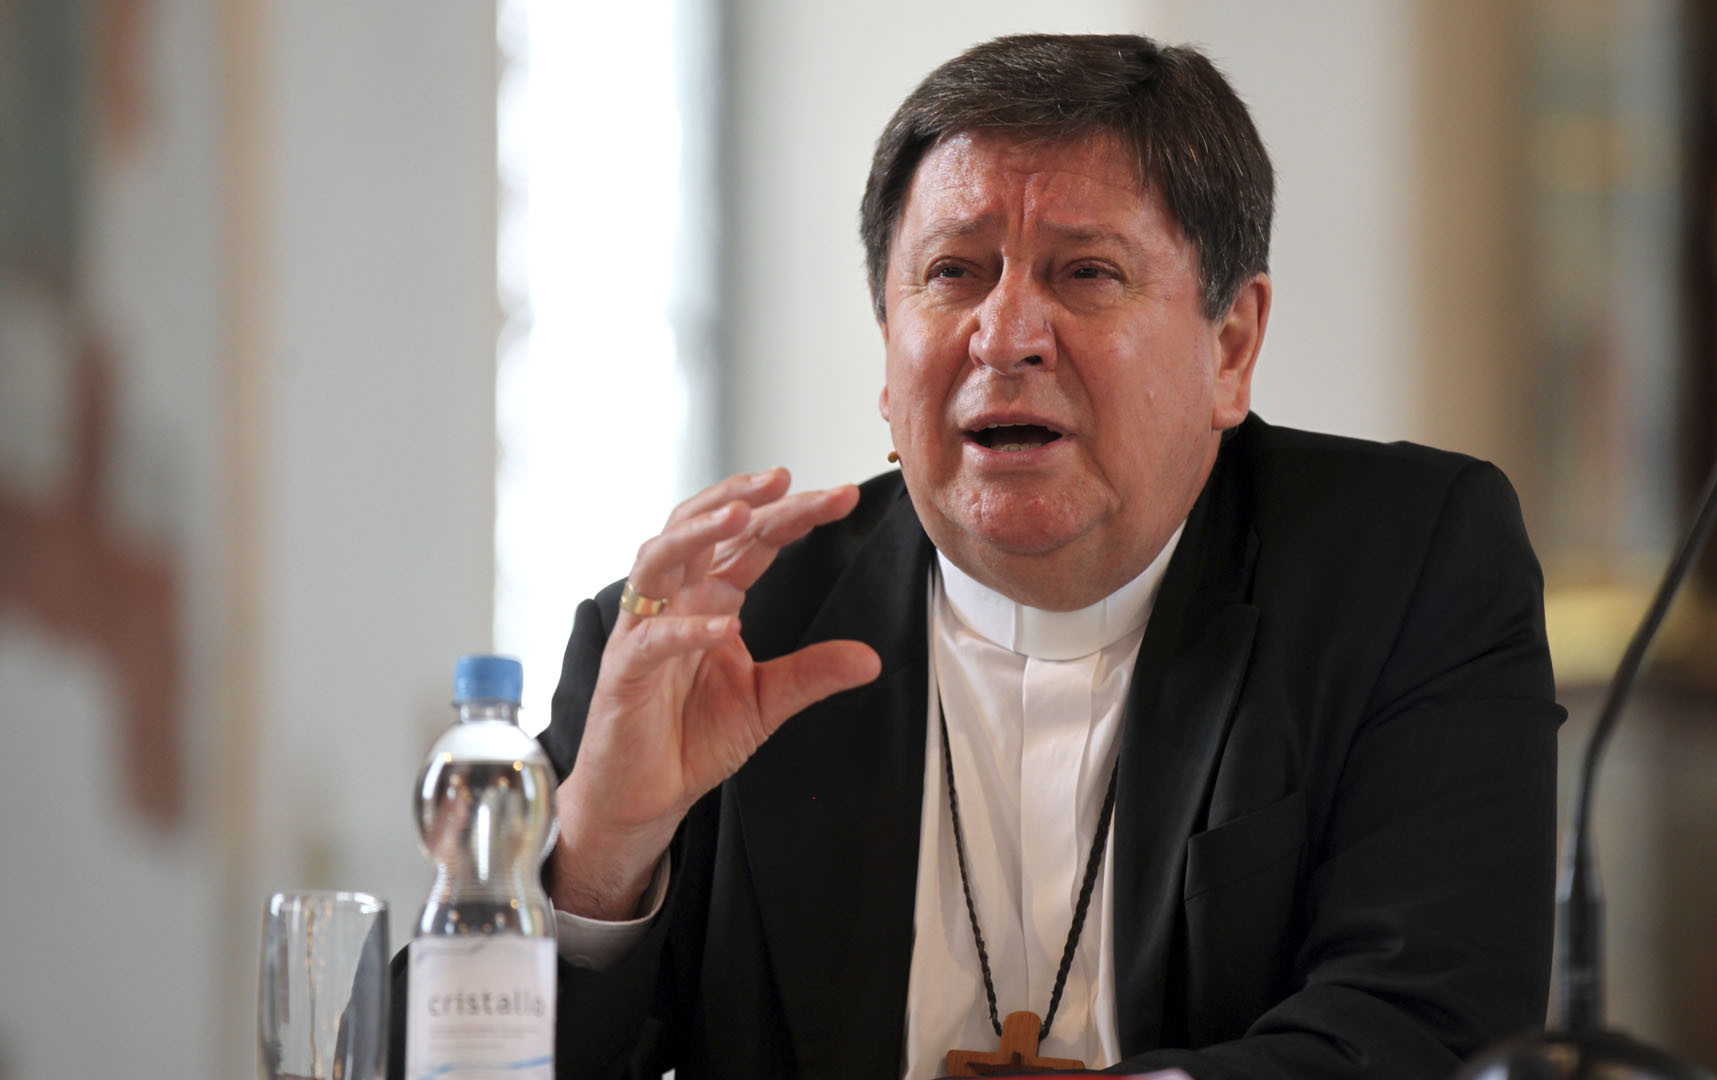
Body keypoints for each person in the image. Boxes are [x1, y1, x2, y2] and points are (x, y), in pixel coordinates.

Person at [399, 32, 1562, 1080]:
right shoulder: (715, 636)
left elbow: (1426, 1027)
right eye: (953, 273)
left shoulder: (1402, 569)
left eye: (1085, 273)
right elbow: (427, 1067)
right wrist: (599, 863)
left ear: (1231, 343)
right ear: (887, 338)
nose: (1005, 336)